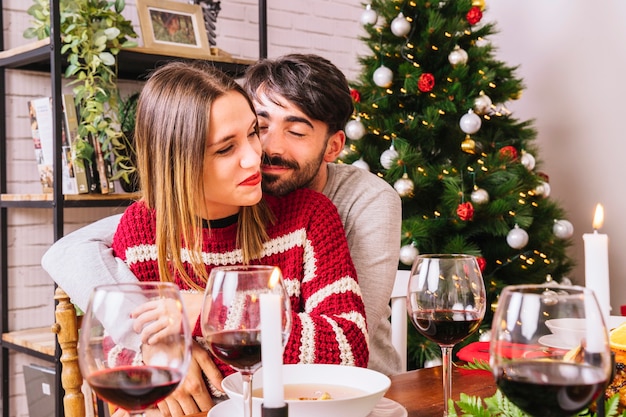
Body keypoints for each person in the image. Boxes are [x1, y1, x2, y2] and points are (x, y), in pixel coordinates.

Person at [42, 54, 401, 412]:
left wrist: (210, 311)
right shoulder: (143, 228)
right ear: (179, 161)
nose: (257, 155)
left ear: (334, 145)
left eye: (250, 135)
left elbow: (346, 351)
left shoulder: (312, 215)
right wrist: (167, 355)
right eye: (230, 146)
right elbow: (124, 355)